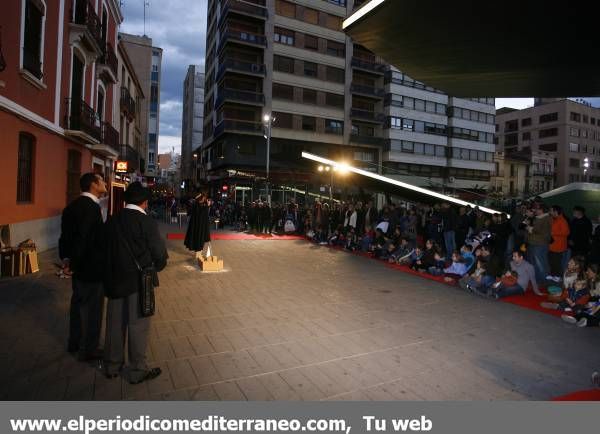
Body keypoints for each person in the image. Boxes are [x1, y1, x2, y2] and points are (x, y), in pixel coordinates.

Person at [103, 182, 168, 384]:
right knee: (138, 324)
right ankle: (137, 369)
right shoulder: (146, 222)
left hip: (115, 279)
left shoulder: (112, 220)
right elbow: (159, 253)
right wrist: (156, 266)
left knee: (114, 323)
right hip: (139, 281)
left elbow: (102, 249)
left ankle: (112, 366)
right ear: (144, 202)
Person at [58, 173, 107, 361]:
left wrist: (66, 260)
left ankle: (74, 342)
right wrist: (75, 264)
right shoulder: (92, 208)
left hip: (77, 267)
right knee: (93, 310)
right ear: (93, 185)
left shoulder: (71, 207)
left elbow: (65, 237)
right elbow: (83, 239)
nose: (104, 183)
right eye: (101, 180)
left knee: (77, 304)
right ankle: (89, 349)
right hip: (91, 268)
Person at [526, 204, 552, 283]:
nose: (535, 211)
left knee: (540, 263)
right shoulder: (542, 218)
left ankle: (544, 279)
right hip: (538, 243)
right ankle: (539, 279)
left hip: (540, 243)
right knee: (539, 263)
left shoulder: (544, 218)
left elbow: (537, 230)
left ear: (541, 210)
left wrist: (529, 228)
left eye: (537, 209)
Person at [184, 193, 212, 258]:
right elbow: (202, 214)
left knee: (199, 239)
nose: (205, 199)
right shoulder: (198, 206)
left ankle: (198, 253)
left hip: (197, 227)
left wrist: (207, 206)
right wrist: (207, 206)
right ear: (201, 199)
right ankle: (198, 254)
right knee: (199, 240)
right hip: (199, 227)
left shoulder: (196, 205)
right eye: (204, 198)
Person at [547, 205, 570, 281]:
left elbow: (566, 232)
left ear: (555, 211)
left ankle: (558, 276)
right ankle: (552, 274)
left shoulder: (562, 220)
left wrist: (553, 232)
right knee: (551, 261)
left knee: (556, 262)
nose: (550, 212)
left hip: (558, 246)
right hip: (553, 245)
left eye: (551, 210)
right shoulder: (555, 219)